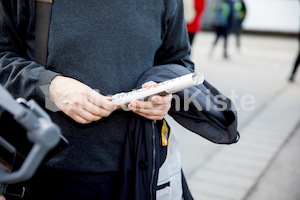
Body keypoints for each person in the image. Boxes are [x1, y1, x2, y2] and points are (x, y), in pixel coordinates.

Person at [0, 0, 193, 199]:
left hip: (139, 171)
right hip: (45, 173)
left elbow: (178, 61)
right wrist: (50, 86)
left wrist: (163, 93)